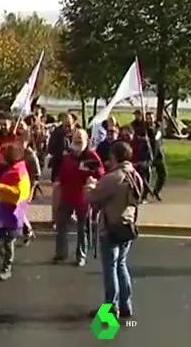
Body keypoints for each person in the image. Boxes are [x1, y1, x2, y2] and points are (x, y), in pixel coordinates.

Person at [86, 140, 142, 319]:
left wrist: (90, 184)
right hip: (128, 224)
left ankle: (110, 308)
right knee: (121, 264)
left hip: (111, 225)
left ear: (114, 157)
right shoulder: (135, 175)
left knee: (110, 267)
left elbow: (92, 197)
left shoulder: (113, 177)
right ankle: (126, 304)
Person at [54, 129, 104, 267]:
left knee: (83, 228)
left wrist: (92, 177)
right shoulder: (67, 156)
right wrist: (58, 182)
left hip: (83, 197)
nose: (77, 141)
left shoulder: (91, 156)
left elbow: (100, 172)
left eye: (80, 139)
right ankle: (60, 253)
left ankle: (80, 255)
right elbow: (61, 172)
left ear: (86, 141)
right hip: (67, 195)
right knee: (61, 225)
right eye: (75, 138)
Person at [0, 143, 31, 280]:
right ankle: (0, 265)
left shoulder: (18, 172)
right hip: (4, 210)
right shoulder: (9, 169)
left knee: (8, 242)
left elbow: (18, 193)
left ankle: (7, 268)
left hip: (12, 213)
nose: (0, 157)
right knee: (1, 239)